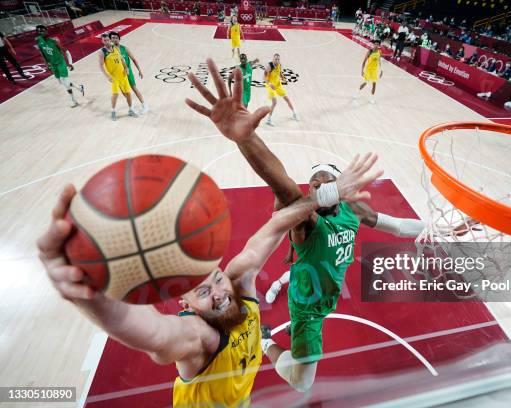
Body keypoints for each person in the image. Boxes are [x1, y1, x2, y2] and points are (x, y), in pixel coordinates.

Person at [183, 59, 465, 393]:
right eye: (314, 184)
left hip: (325, 286)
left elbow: (399, 226)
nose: (316, 186)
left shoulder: (353, 209)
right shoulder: (307, 219)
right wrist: (246, 140)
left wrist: (440, 227)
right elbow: (283, 184)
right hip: (307, 305)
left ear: (340, 183)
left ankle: (287, 284)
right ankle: (265, 343)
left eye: (324, 181)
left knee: (311, 266)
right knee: (302, 383)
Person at [37, 150, 378, 407]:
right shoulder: (198, 337)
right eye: (202, 292)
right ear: (184, 305)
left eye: (216, 279)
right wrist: (89, 295)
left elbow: (277, 224)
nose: (218, 293)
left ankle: (261, 346)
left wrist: (328, 195)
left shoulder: (238, 284)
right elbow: (153, 332)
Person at [35, 25, 84, 107]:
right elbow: (42, 53)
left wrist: (70, 63)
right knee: (61, 82)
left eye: (42, 30)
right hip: (53, 64)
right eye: (39, 31)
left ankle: (74, 100)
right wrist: (46, 63)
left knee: (64, 81)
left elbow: (66, 51)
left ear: (47, 31)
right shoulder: (38, 40)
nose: (41, 32)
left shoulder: (53, 41)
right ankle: (79, 87)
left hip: (61, 63)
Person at [98, 33, 137, 121]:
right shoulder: (102, 52)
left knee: (128, 93)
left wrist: (126, 67)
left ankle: (131, 110)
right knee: (115, 94)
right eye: (105, 40)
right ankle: (113, 112)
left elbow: (122, 59)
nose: (107, 42)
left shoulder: (115, 48)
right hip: (114, 77)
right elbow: (100, 65)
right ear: (102, 41)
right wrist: (107, 76)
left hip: (123, 75)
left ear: (109, 40)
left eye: (108, 40)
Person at [109, 31, 148, 114]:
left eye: (116, 38)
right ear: (110, 40)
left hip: (128, 72)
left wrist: (139, 70)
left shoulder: (124, 49)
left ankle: (144, 105)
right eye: (112, 38)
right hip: (118, 75)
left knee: (134, 88)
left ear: (119, 39)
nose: (114, 39)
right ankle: (131, 107)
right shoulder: (110, 51)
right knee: (124, 92)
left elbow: (134, 59)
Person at [263, 53, 298, 125]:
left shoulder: (280, 65)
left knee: (287, 98)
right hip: (270, 85)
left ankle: (294, 113)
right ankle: (268, 120)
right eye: (276, 59)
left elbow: (279, 73)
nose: (277, 60)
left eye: (278, 59)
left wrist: (283, 77)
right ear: (273, 59)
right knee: (274, 102)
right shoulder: (269, 66)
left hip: (278, 84)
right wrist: (269, 84)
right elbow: (264, 78)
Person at [356, 39, 383, 104]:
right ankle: (357, 92)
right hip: (368, 69)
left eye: (377, 44)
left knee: (374, 84)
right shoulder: (370, 51)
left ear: (379, 45)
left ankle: (372, 98)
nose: (376, 45)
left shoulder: (380, 52)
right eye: (375, 44)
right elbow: (364, 61)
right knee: (365, 82)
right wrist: (362, 71)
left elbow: (379, 61)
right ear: (373, 44)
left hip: (374, 70)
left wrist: (381, 70)